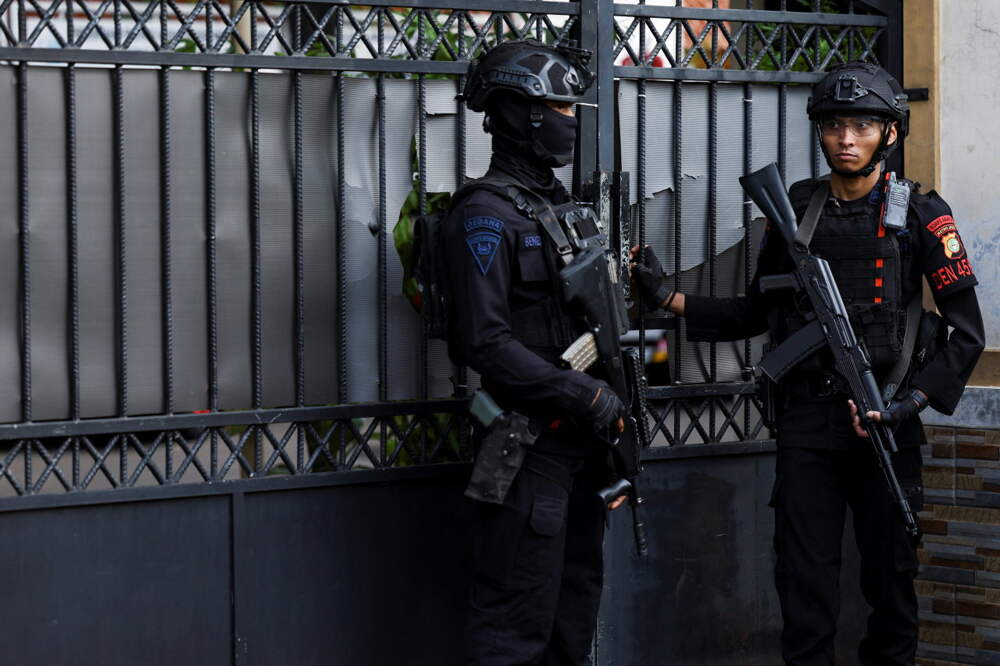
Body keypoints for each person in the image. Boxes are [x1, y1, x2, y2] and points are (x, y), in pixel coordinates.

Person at [632, 62, 985, 665]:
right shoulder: (797, 210)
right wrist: (669, 298)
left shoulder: (923, 213)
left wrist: (908, 405)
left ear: (890, 133)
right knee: (804, 586)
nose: (846, 139)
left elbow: (967, 334)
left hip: (885, 422)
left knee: (891, 587)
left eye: (862, 126)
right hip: (808, 425)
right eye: (834, 125)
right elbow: (754, 311)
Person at [442, 40, 626, 665]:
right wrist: (584, 395)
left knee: (573, 619)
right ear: (521, 113)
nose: (571, 119)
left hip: (582, 452)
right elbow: (484, 341)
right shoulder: (484, 215)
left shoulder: (560, 207)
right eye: (560, 107)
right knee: (514, 629)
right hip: (527, 453)